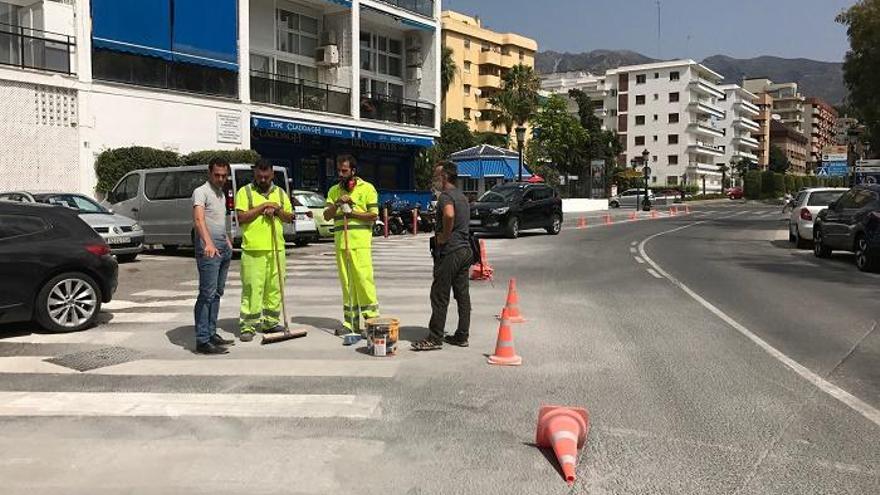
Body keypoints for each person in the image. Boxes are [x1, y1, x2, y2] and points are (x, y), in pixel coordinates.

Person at [412, 161, 472, 351]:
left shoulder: (446, 196)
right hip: (465, 250)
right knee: (462, 294)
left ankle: (435, 337)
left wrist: (444, 236)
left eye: (436, 176)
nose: (434, 180)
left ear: (445, 177)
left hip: (450, 251)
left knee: (439, 295)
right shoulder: (462, 197)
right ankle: (462, 335)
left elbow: (448, 215)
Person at [235, 160, 295, 342]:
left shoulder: (281, 193)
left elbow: (289, 217)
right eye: (260, 176)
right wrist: (263, 206)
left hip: (276, 248)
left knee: (275, 288)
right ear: (255, 174)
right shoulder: (245, 192)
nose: (263, 179)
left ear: (272, 175)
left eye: (266, 176)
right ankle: (248, 325)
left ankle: (270, 322)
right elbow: (241, 217)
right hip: (253, 249)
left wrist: (276, 210)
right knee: (253, 289)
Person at [323, 155, 380, 336]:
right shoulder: (334, 191)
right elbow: (326, 216)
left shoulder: (367, 188)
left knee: (364, 282)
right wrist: (338, 204)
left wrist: (352, 212)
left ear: (353, 171)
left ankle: (372, 322)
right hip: (342, 244)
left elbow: (373, 216)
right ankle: (350, 323)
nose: (340, 174)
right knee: (347, 285)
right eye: (338, 170)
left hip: (360, 244)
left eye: (344, 171)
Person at [192, 157, 235, 354]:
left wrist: (226, 239)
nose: (220, 179)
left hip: (222, 247)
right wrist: (208, 243)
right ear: (210, 173)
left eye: (224, 176)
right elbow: (199, 220)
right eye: (217, 175)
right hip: (208, 248)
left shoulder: (221, 194)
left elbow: (218, 219)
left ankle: (211, 332)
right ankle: (202, 340)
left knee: (217, 292)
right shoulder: (201, 192)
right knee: (207, 294)